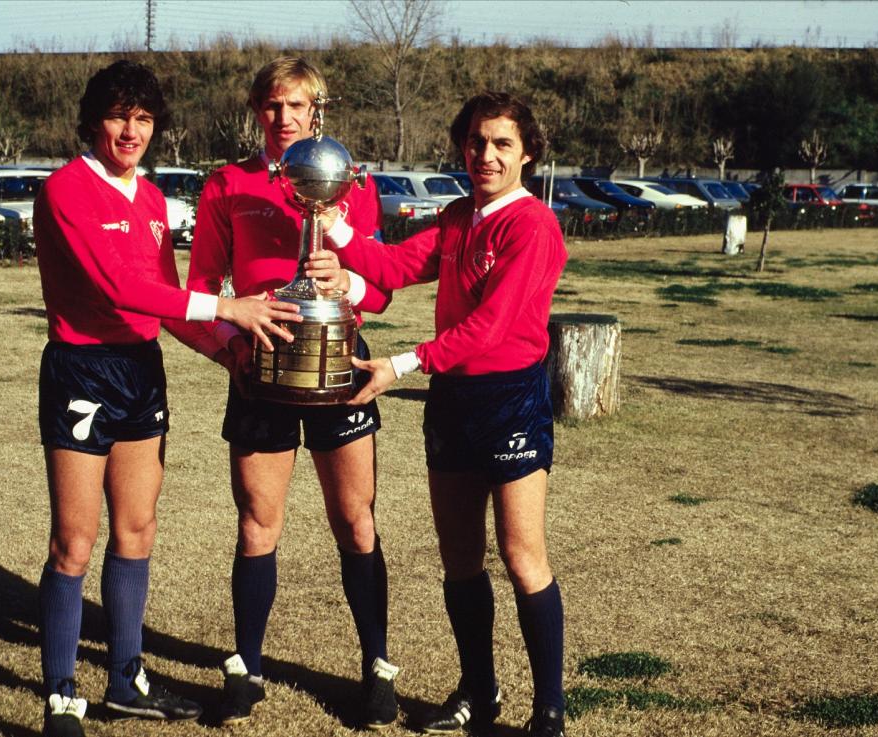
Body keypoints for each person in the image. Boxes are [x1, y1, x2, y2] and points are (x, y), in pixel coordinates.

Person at [32, 60, 302, 737]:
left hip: (140, 372)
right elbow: (119, 288)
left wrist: (226, 351)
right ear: (94, 120)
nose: (131, 130)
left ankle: (126, 678)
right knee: (74, 540)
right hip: (82, 373)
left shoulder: (152, 201)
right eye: (120, 116)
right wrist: (231, 306)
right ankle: (62, 692)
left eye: (144, 119)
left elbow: (166, 304)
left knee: (137, 529)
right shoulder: (66, 189)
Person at [311, 91, 569, 737]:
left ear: (528, 153)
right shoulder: (460, 217)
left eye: (502, 143)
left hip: (509, 396)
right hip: (452, 402)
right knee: (459, 558)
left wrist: (399, 364)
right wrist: (337, 228)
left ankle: (550, 710)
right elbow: (397, 264)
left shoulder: (532, 224)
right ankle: (479, 693)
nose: (486, 155)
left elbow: (491, 325)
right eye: (477, 142)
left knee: (521, 554)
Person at [186, 56, 400, 729]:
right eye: (272, 106)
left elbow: (383, 290)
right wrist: (228, 352)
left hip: (338, 365)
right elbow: (199, 290)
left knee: (355, 519)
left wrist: (348, 283)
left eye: (297, 106)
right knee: (257, 521)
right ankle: (246, 668)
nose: (284, 119)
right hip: (261, 367)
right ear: (258, 112)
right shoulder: (226, 184)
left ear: (318, 112)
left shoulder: (349, 181)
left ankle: (377, 669)